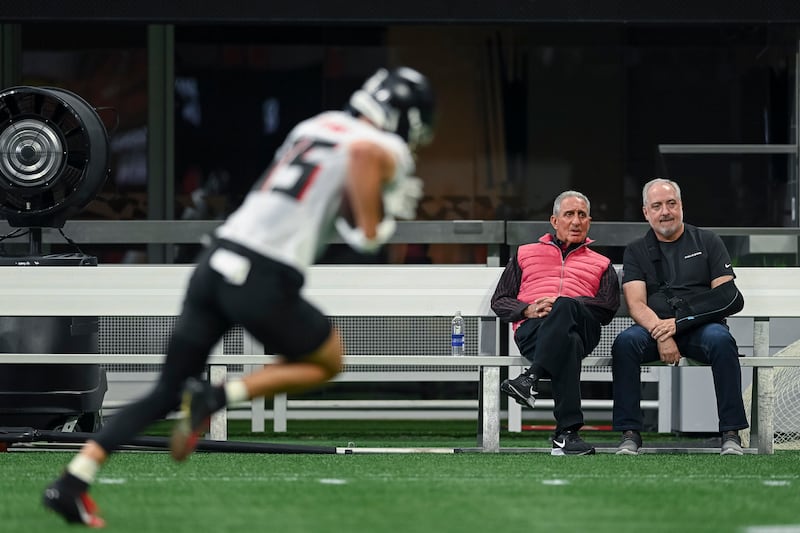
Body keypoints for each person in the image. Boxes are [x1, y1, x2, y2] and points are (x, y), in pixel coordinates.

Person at [42, 66, 435, 527]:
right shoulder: (381, 147)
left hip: (216, 260)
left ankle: (71, 482)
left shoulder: (315, 126)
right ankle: (218, 395)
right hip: (262, 273)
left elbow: (322, 196)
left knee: (167, 391)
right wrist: (387, 216)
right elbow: (367, 234)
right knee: (329, 358)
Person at [611, 178, 748, 456]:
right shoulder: (637, 250)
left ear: (681, 206)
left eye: (671, 203)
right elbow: (637, 305)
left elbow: (727, 297)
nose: (665, 211)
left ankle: (731, 433)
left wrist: (678, 324)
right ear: (646, 212)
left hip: (703, 328)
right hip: (654, 328)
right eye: (657, 206)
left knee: (723, 341)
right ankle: (630, 434)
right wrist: (663, 333)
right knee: (624, 343)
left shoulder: (707, 240)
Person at [491, 191, 620, 456]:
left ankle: (530, 378)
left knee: (566, 306)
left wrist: (568, 305)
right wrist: (527, 309)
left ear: (589, 222)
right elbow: (500, 300)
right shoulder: (524, 254)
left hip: (584, 329)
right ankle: (567, 434)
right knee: (567, 342)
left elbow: (607, 307)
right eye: (569, 214)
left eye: (582, 215)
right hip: (533, 332)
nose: (576, 221)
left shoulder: (602, 263)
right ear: (554, 220)